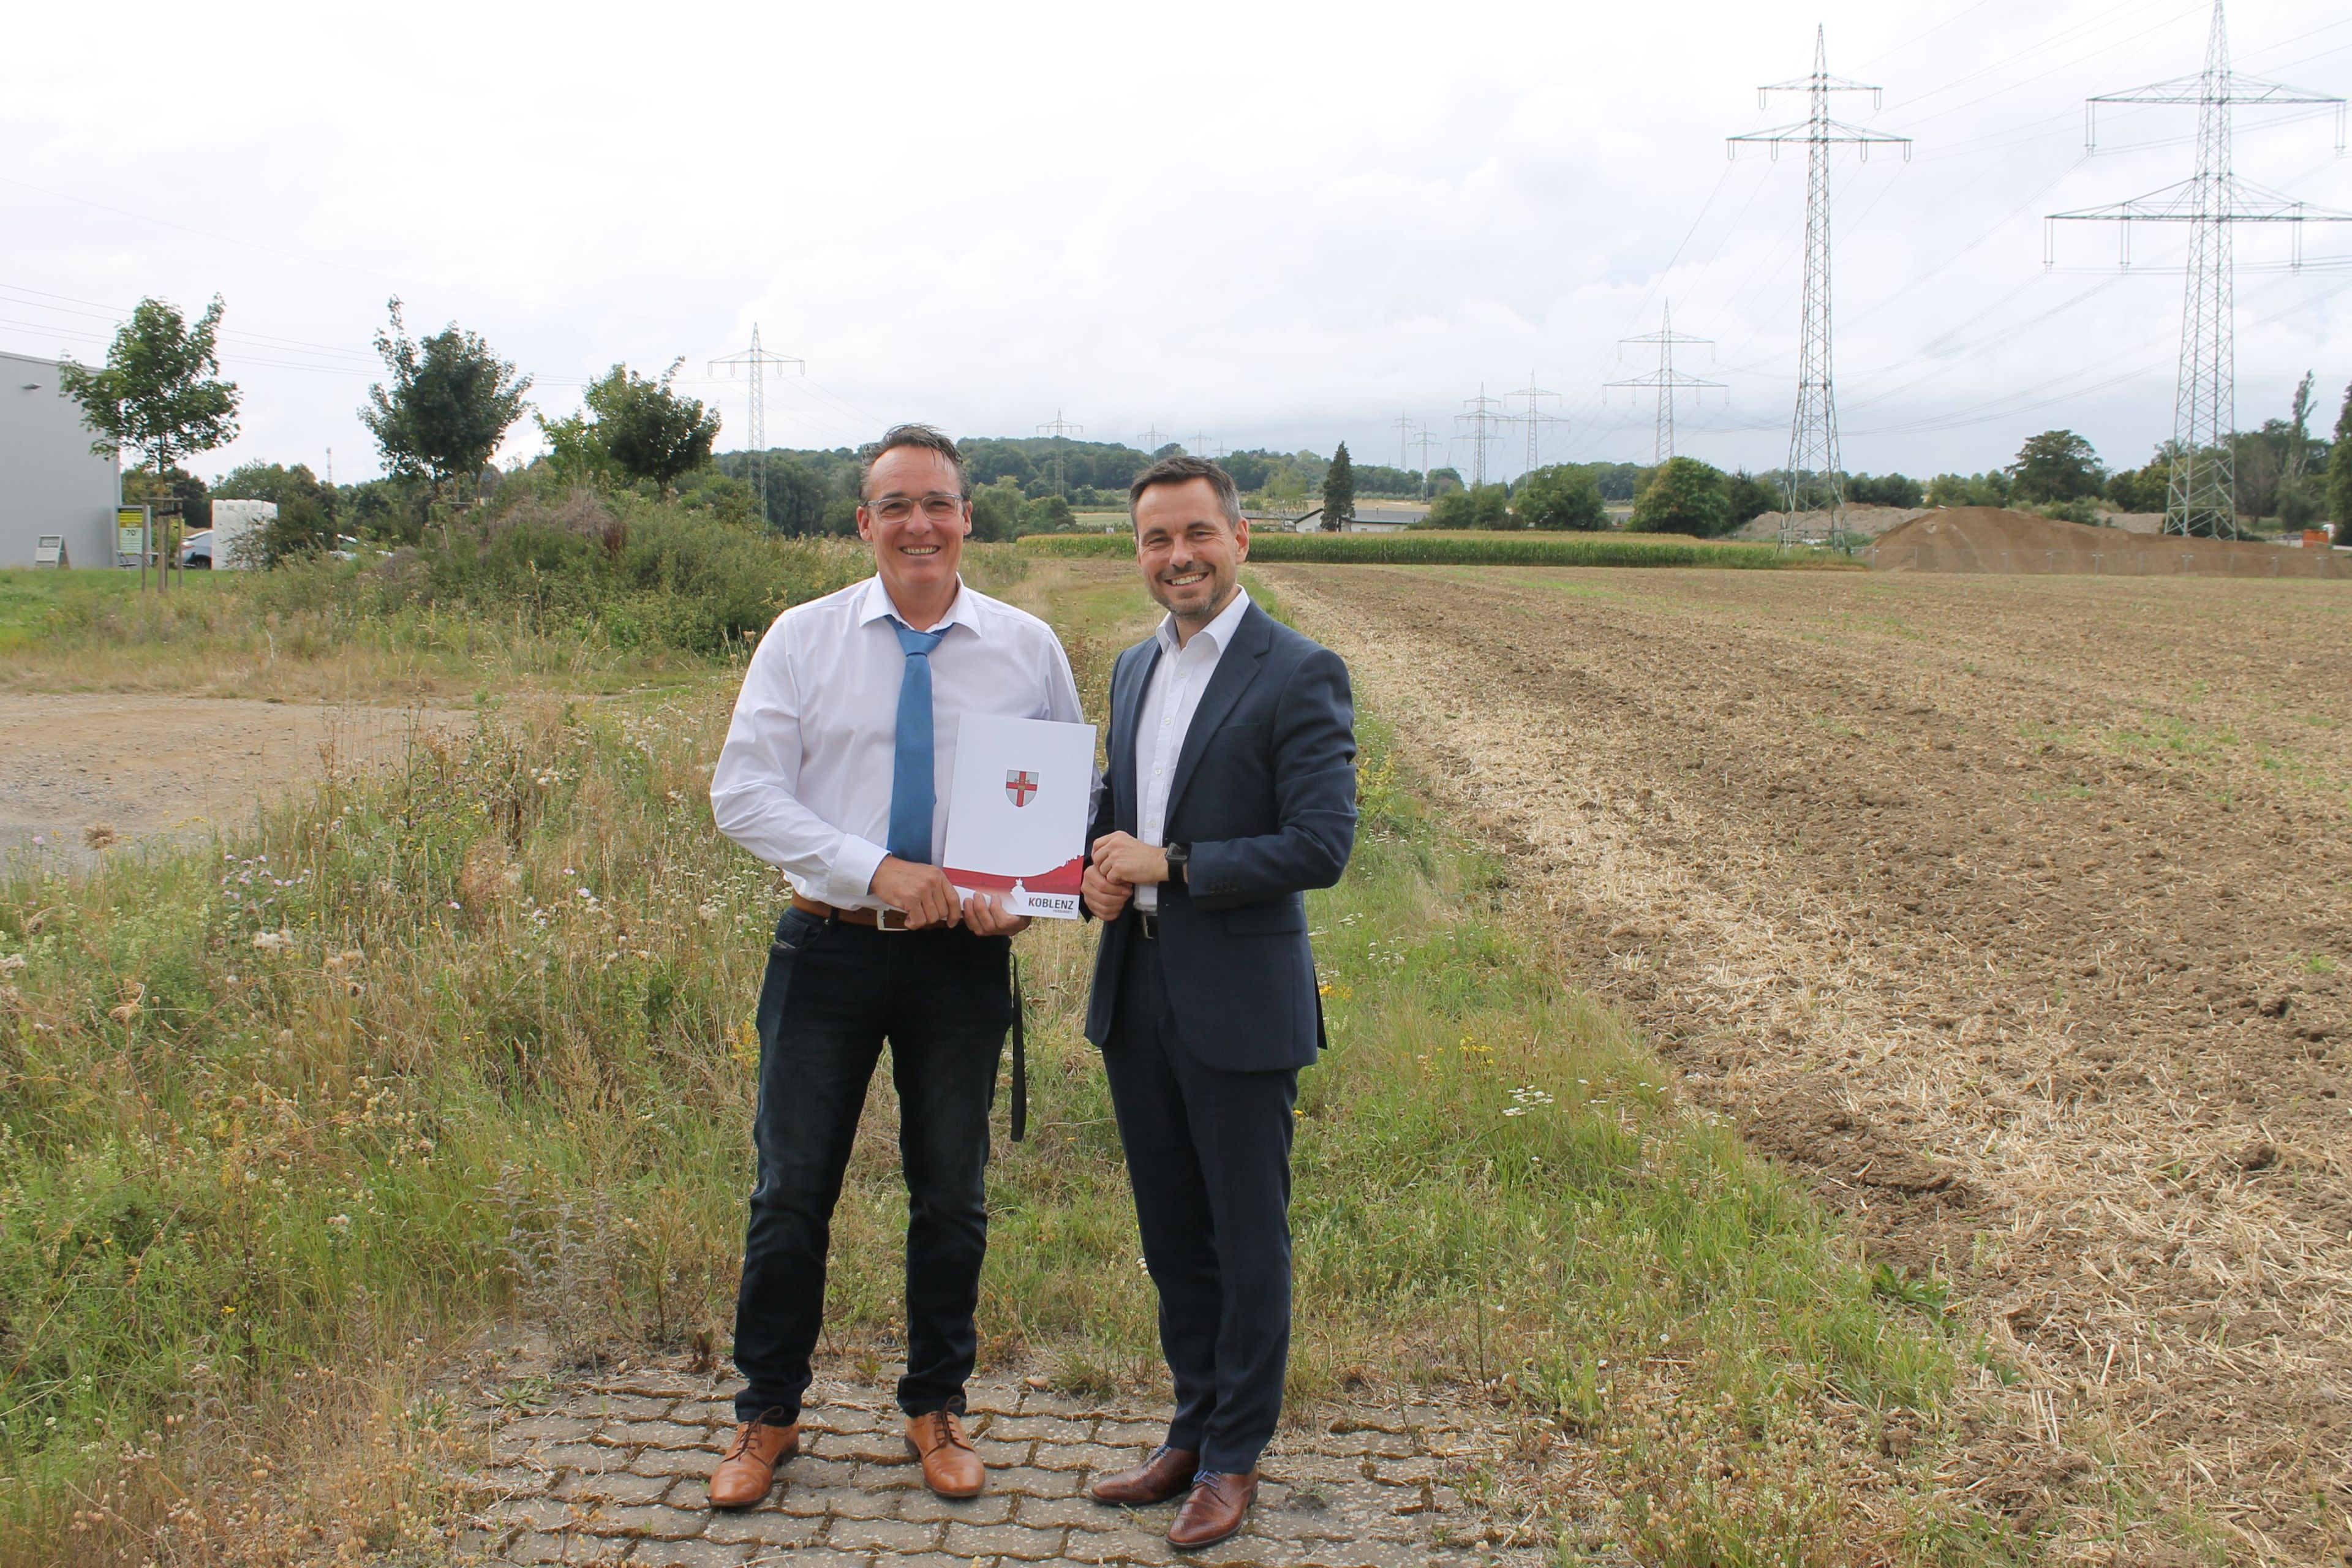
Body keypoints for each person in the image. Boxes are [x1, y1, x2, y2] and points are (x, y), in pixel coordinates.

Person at [706, 424, 1084, 1509]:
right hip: (828, 946)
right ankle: (767, 1415)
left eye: (939, 504)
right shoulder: (804, 638)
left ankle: (935, 1405)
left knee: (952, 1194)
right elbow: (744, 794)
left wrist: (1025, 900)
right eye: (897, 505)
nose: (920, 524)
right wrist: (875, 869)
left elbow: (1065, 797)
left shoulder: (1026, 647)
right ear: (864, 523)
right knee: (790, 1192)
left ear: (968, 517)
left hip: (959, 964)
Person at [1079, 454, 1357, 1549]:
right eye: (1157, 538)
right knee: (1173, 1236)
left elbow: (1320, 844)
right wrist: (1094, 870)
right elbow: (1118, 808)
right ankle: (1190, 1431)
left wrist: (1174, 866)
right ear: (1138, 552)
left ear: (1240, 539)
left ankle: (1236, 1458)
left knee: (1247, 1240)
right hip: (1138, 990)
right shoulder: (1131, 669)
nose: (1178, 555)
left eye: (1197, 533)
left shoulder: (1299, 671)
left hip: (1238, 1000)